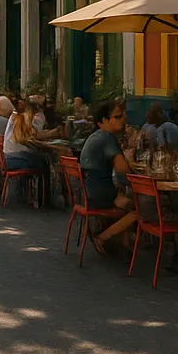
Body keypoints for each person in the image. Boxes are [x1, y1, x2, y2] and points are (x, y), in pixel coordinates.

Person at [79, 99, 137, 249]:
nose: (122, 121)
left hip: (87, 192)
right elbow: (122, 171)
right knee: (141, 209)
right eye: (117, 117)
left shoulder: (95, 136)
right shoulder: (107, 138)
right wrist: (139, 181)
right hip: (102, 194)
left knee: (130, 199)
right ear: (104, 120)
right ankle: (103, 238)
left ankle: (123, 244)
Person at [2, 98, 50, 177]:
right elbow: (31, 137)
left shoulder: (14, 116)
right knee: (44, 161)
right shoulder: (23, 118)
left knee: (40, 158)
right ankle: (44, 189)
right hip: (16, 158)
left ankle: (30, 187)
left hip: (7, 157)